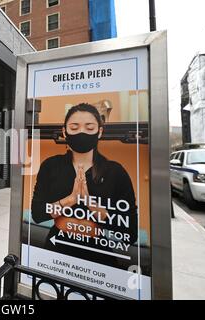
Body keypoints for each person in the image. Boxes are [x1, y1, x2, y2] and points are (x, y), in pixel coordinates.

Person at [31, 103, 138, 268]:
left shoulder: (115, 172)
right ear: (65, 132)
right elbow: (37, 214)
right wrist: (70, 199)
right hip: (56, 247)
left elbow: (130, 233)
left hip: (98, 254)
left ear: (99, 132)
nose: (82, 132)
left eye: (89, 128)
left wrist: (89, 203)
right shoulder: (51, 166)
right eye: (74, 127)